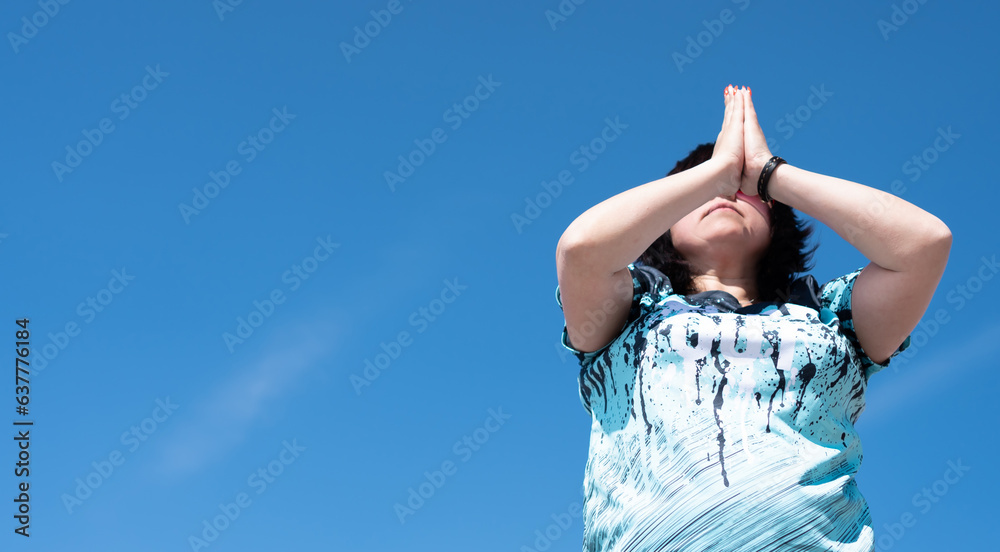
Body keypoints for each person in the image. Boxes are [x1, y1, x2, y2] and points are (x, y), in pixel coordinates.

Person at [553, 85, 951, 551]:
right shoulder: (629, 313)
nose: (727, 194)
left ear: (776, 219)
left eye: (746, 191)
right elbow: (581, 252)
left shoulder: (833, 319)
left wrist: (768, 172)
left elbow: (925, 246)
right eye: (703, 187)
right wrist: (717, 171)